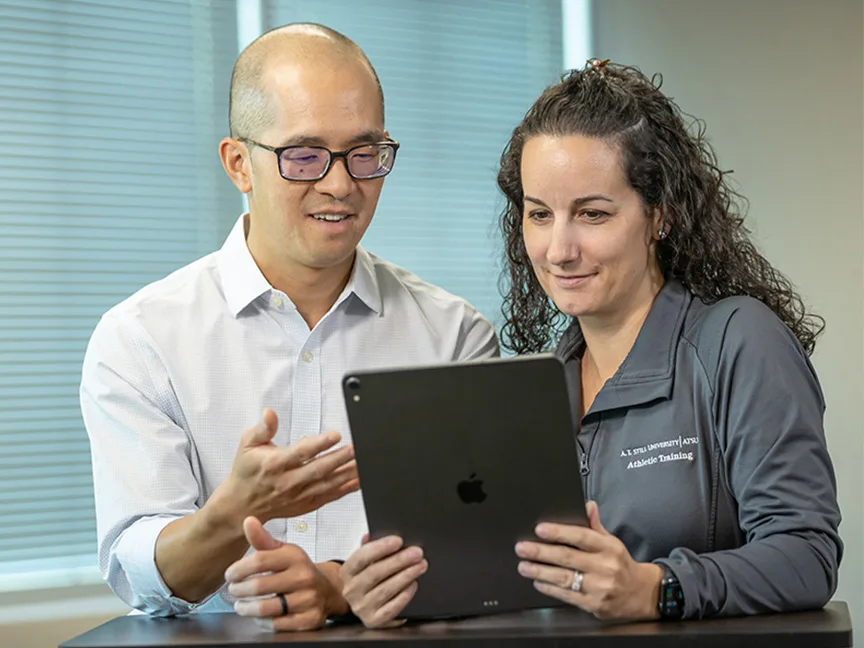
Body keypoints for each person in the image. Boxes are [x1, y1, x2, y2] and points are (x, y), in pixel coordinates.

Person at [338, 60, 842, 626]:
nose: (558, 249)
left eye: (592, 214)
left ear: (661, 214)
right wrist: (388, 590)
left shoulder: (738, 341)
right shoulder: (539, 385)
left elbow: (807, 554)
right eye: (539, 214)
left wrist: (658, 588)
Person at [79, 23, 498, 630]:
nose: (340, 184)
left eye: (364, 153)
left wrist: (335, 588)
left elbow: (482, 546)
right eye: (304, 155)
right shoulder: (141, 340)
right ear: (238, 165)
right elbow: (141, 572)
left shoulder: (454, 336)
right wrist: (233, 515)